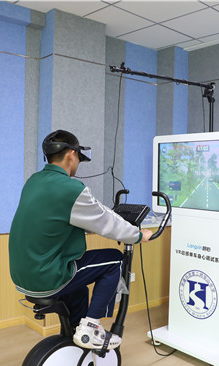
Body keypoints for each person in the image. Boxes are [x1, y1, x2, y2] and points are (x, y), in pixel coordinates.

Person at [9, 129, 153, 351]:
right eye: (78, 158)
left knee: (79, 291)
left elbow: (52, 221)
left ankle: (74, 338)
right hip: (47, 276)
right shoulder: (70, 188)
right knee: (114, 260)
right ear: (71, 154)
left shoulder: (34, 181)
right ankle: (90, 328)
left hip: (24, 275)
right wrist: (139, 235)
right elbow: (107, 221)